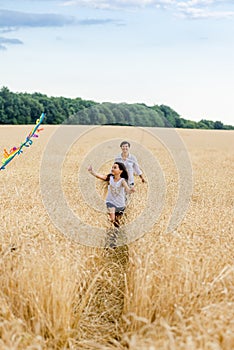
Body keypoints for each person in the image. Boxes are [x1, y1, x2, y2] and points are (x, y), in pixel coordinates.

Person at [88, 162, 135, 227]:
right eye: (112, 167)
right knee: (112, 219)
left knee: (118, 222)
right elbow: (100, 176)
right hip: (110, 202)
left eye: (115, 167)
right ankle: (113, 228)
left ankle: (115, 232)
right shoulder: (110, 178)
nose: (112, 169)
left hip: (120, 204)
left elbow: (127, 189)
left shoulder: (122, 181)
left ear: (120, 171)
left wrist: (131, 190)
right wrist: (92, 172)